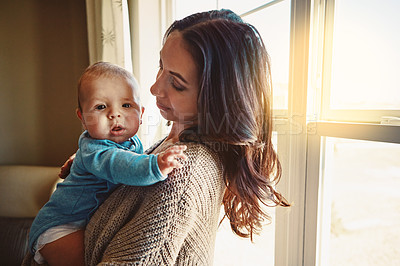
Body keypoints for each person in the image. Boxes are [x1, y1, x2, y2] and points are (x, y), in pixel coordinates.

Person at [23, 9, 290, 266]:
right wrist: (90, 162)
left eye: (176, 82)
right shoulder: (169, 143)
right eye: (161, 67)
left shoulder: (185, 172)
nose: (153, 87)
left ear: (216, 99)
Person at [27, 62, 187, 265]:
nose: (114, 114)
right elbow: (121, 164)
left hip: (84, 222)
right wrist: (156, 165)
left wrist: (77, 162)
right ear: (82, 119)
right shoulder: (94, 150)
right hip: (60, 227)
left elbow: (130, 158)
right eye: (101, 107)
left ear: (141, 113)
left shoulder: (132, 142)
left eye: (126, 105)